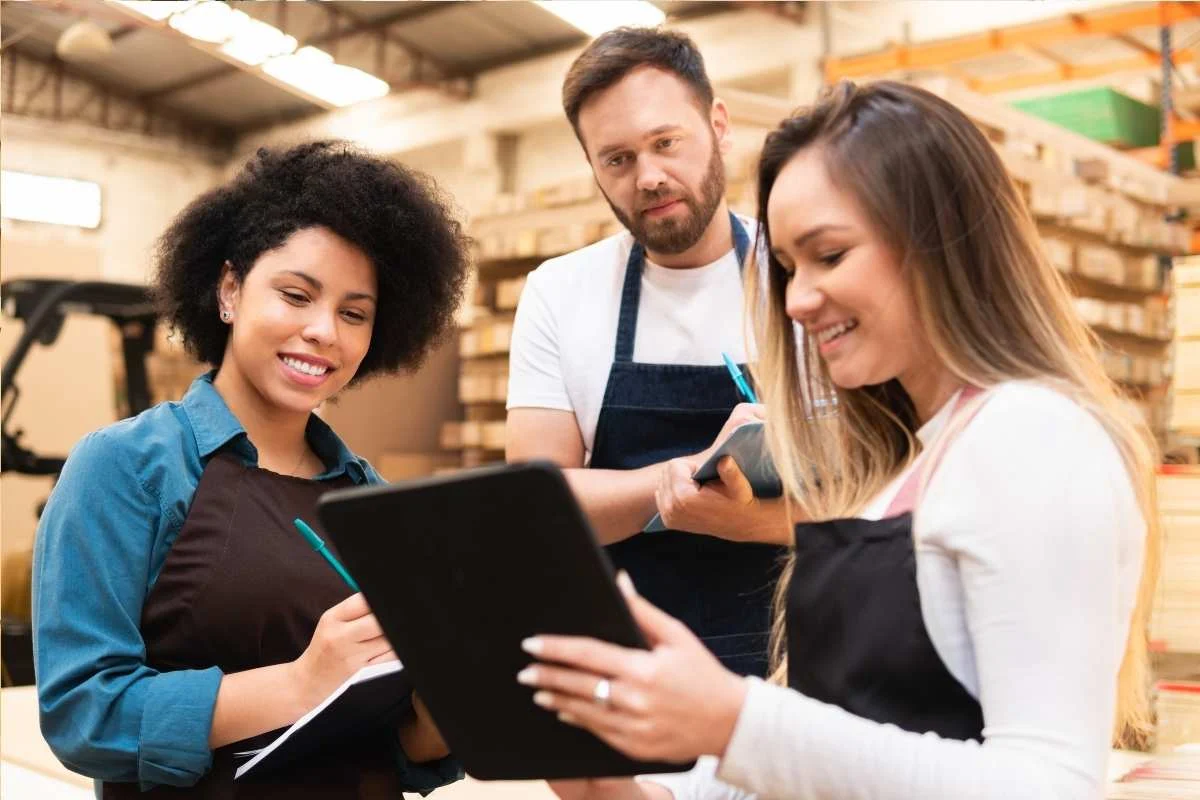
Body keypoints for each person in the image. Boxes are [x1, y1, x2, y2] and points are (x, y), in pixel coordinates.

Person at [517, 80, 1160, 800]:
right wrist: (614, 785)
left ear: (938, 238)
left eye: (829, 256)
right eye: (789, 267)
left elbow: (1045, 788)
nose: (794, 300)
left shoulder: (1033, 438)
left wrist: (733, 722)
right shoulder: (907, 462)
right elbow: (839, 733)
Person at [32, 141, 469, 798]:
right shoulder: (129, 468)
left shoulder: (368, 497)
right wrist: (300, 683)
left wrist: (452, 696)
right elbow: (84, 715)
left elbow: (401, 747)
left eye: (354, 313)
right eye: (296, 295)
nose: (325, 331)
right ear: (230, 290)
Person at [506, 27, 787, 679]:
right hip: (631, 670)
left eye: (666, 143)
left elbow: (874, 496)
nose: (650, 177)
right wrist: (676, 482)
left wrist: (752, 523)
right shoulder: (560, 291)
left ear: (719, 126)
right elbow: (537, 508)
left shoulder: (798, 272)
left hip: (795, 665)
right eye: (618, 160)